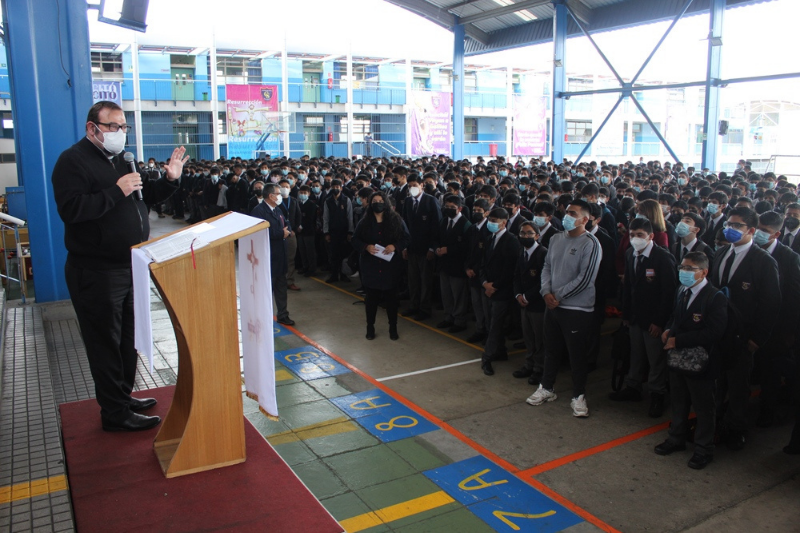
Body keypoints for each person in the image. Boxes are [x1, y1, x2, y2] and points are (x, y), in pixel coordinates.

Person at [52, 100, 187, 432]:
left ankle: (123, 396)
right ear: (92, 128)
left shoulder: (123, 161)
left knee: (127, 338)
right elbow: (72, 209)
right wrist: (115, 191)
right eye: (112, 127)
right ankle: (113, 412)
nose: (120, 133)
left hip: (129, 266)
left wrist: (170, 180)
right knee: (105, 342)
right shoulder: (72, 162)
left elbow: (143, 198)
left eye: (123, 127)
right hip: (96, 271)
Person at [710, 207, 780, 450]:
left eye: (737, 226)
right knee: (716, 381)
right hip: (718, 332)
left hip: (744, 336)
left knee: (739, 386)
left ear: (751, 230)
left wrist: (757, 339)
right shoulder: (720, 254)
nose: (729, 228)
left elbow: (771, 304)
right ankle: (715, 422)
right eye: (728, 223)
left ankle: (737, 428)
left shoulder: (763, 262)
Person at [527, 200, 602, 418]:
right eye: (567, 212)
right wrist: (545, 292)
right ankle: (547, 388)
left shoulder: (591, 243)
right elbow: (547, 267)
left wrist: (557, 296)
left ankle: (578, 395)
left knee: (576, 355)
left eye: (573, 213)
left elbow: (586, 278)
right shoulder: (556, 238)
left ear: (585, 219)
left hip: (576, 308)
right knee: (551, 349)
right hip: (553, 305)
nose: (567, 216)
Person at [656, 252, 727, 469]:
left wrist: (678, 340)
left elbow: (714, 332)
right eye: (682, 267)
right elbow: (675, 316)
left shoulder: (714, 297)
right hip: (678, 359)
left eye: (690, 269)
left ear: (704, 272)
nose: (684, 272)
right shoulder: (681, 291)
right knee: (679, 400)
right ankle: (676, 438)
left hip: (701, 362)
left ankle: (703, 449)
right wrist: (668, 329)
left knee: (703, 407)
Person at [611, 217, 678, 417]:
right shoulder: (631, 253)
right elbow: (629, 287)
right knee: (635, 354)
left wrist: (659, 322)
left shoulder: (662, 258)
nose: (635, 239)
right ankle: (633, 387)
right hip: (635, 318)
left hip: (653, 321)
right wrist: (626, 314)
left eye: (640, 235)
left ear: (650, 236)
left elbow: (669, 294)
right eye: (632, 235)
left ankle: (657, 393)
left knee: (655, 358)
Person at [752, 211, 800, 427]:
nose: (759, 234)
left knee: (771, 372)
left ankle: (768, 412)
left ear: (777, 234)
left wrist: (788, 331)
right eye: (758, 229)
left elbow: (793, 298)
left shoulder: (789, 258)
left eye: (765, 231)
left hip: (777, 328)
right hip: (752, 323)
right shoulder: (751, 251)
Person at [351, 192, 410, 340]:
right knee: (371, 301)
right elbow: (355, 239)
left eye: (381, 201)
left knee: (391, 301)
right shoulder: (364, 222)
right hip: (371, 267)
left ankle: (393, 328)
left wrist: (395, 246)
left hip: (390, 267)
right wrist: (365, 247)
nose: (378, 203)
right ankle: (370, 327)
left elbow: (406, 238)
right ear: (370, 204)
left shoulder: (396, 220)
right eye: (375, 201)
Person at [479, 207, 522, 376]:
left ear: (504, 223)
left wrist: (494, 286)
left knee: (495, 324)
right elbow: (483, 263)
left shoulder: (512, 241)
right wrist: (484, 283)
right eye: (490, 220)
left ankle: (487, 358)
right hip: (489, 288)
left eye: (495, 221)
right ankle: (501, 351)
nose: (491, 223)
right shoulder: (490, 238)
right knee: (491, 321)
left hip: (502, 291)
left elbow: (510, 270)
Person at [251, 183, 295, 326]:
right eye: (278, 194)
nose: (280, 196)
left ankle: (283, 314)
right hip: (268, 256)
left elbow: (286, 222)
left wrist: (287, 229)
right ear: (271, 196)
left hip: (280, 255)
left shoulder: (277, 209)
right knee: (267, 289)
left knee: (281, 287)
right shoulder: (259, 211)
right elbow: (260, 232)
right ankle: (264, 316)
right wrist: (280, 233)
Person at [400, 174, 442, 321]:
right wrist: (404, 247)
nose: (412, 188)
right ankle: (414, 305)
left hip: (426, 249)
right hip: (411, 248)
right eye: (409, 186)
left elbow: (437, 227)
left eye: (414, 185)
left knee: (425, 281)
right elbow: (404, 225)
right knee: (413, 280)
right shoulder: (407, 202)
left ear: (421, 185)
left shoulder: (431, 201)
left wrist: (432, 248)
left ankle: (425, 309)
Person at [512, 221, 548, 386]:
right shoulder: (521, 252)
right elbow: (517, 275)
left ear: (537, 236)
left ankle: (539, 369)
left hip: (537, 303)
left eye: (529, 233)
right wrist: (518, 294)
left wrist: (528, 296)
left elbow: (544, 281)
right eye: (522, 233)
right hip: (523, 302)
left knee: (539, 337)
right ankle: (529, 364)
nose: (525, 236)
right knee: (528, 336)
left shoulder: (543, 254)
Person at [433, 195, 472, 333]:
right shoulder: (444, 221)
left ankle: (459, 320)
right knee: (446, 293)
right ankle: (448, 316)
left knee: (458, 295)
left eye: (452, 208)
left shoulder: (465, 224)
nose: (448, 210)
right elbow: (437, 238)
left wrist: (449, 249)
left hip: (458, 266)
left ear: (459, 208)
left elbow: (467, 246)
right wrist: (437, 248)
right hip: (444, 265)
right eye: (447, 207)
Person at [323, 179, 355, 282]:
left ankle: (343, 275)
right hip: (333, 232)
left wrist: (350, 232)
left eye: (337, 187)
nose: (335, 189)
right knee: (333, 255)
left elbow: (350, 217)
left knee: (344, 254)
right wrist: (326, 232)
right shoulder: (327, 201)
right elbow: (325, 218)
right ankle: (334, 275)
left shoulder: (346, 200)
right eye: (334, 187)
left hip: (344, 232)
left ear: (341, 188)